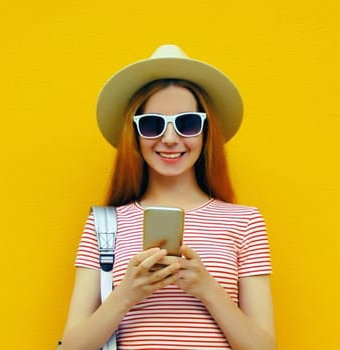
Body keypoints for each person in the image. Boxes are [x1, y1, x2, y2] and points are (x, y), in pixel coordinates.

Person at [60, 44, 276, 350]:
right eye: (153, 124)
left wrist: (208, 289)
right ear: (134, 134)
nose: (171, 139)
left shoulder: (244, 221)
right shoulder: (105, 225)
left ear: (205, 131)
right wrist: (125, 296)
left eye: (187, 123)